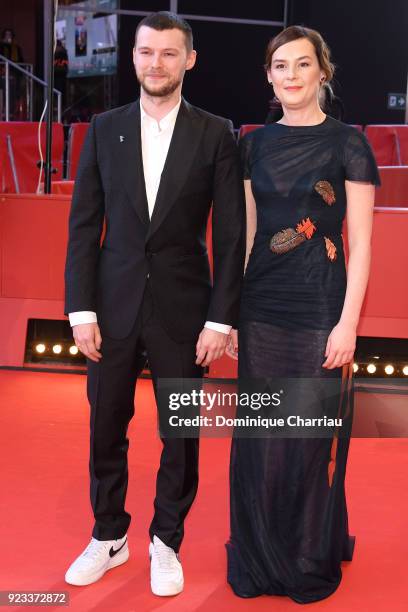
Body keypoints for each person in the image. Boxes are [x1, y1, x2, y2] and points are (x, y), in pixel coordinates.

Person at [64, 11, 245, 596]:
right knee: (105, 427)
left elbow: (231, 235)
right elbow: (84, 225)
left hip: (185, 311)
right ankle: (109, 535)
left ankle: (166, 540)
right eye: (146, 52)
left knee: (180, 435)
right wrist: (80, 309)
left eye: (170, 53)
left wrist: (220, 318)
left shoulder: (217, 133)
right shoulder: (104, 127)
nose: (156, 64)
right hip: (110, 309)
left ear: (189, 60)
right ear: (133, 57)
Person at [225, 25, 380, 603]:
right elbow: (245, 236)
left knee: (308, 438)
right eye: (279, 66)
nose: (290, 75)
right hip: (262, 307)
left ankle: (305, 555)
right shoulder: (253, 144)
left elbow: (361, 243)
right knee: (264, 437)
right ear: (269, 77)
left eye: (302, 64)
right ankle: (262, 554)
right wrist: (234, 313)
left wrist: (348, 324)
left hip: (320, 305)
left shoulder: (349, 144)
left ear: (323, 72)